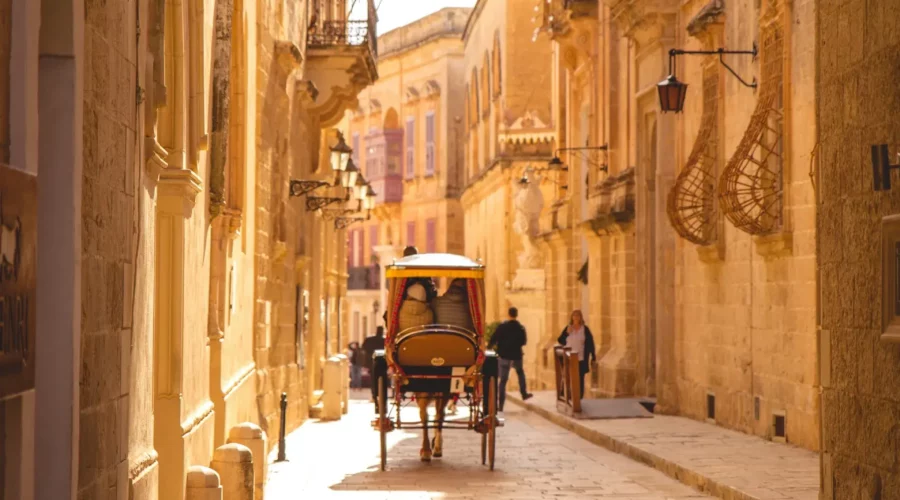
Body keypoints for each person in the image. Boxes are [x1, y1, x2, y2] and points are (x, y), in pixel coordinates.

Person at [489, 307, 533, 414]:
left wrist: (489, 348)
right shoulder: (520, 328)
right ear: (516, 315)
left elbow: (494, 338)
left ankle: (500, 405)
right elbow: (524, 341)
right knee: (520, 372)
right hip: (516, 355)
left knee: (503, 381)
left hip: (504, 356)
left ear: (508, 314)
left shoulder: (502, 327)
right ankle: (523, 393)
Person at [557, 310, 596, 399]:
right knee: (568, 376)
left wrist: (593, 355)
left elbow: (590, 342)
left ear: (580, 317)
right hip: (568, 357)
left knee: (580, 377)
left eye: (578, 315)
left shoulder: (585, 329)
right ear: (572, 317)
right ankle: (566, 395)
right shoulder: (568, 328)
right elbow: (560, 340)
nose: (576, 317)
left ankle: (579, 397)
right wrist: (567, 333)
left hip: (581, 357)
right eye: (574, 315)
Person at [362, 326, 385, 409]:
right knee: (382, 381)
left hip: (372, 364)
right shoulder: (384, 340)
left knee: (373, 381)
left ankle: (375, 397)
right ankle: (380, 397)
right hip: (382, 365)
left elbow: (364, 348)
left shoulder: (369, 340)